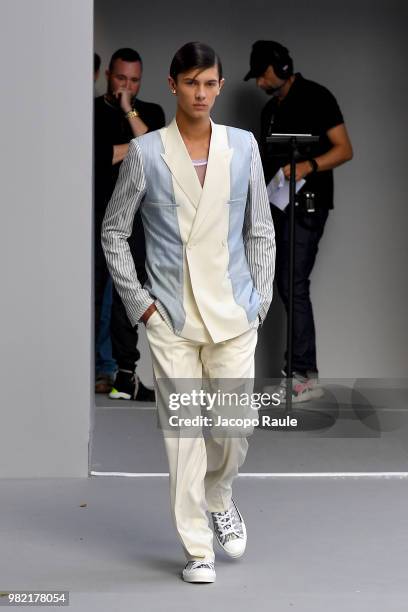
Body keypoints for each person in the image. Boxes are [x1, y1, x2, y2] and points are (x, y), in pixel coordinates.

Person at [102, 42, 275, 583]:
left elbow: (261, 229)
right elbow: (113, 231)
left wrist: (260, 302)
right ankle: (197, 547)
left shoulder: (244, 147)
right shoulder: (148, 153)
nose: (201, 93)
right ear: (172, 84)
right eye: (191, 82)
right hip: (171, 318)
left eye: (210, 83)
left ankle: (219, 495)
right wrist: (143, 306)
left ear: (220, 87)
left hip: (232, 313)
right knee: (182, 439)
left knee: (233, 427)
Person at [244, 40, 353, 402]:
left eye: (262, 74)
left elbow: (344, 148)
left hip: (308, 205)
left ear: (282, 68)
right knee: (283, 285)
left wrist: (309, 165)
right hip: (278, 206)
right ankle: (295, 374)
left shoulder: (317, 97)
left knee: (294, 284)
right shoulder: (269, 111)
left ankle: (305, 374)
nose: (259, 82)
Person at [94, 48, 165, 400]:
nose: (127, 85)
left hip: (136, 220)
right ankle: (97, 371)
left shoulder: (148, 112)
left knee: (127, 296)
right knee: (95, 296)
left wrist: (129, 111)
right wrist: (137, 144)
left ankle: (124, 375)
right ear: (109, 73)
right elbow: (98, 157)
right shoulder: (91, 110)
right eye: (121, 78)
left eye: (134, 80)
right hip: (95, 214)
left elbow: (156, 155)